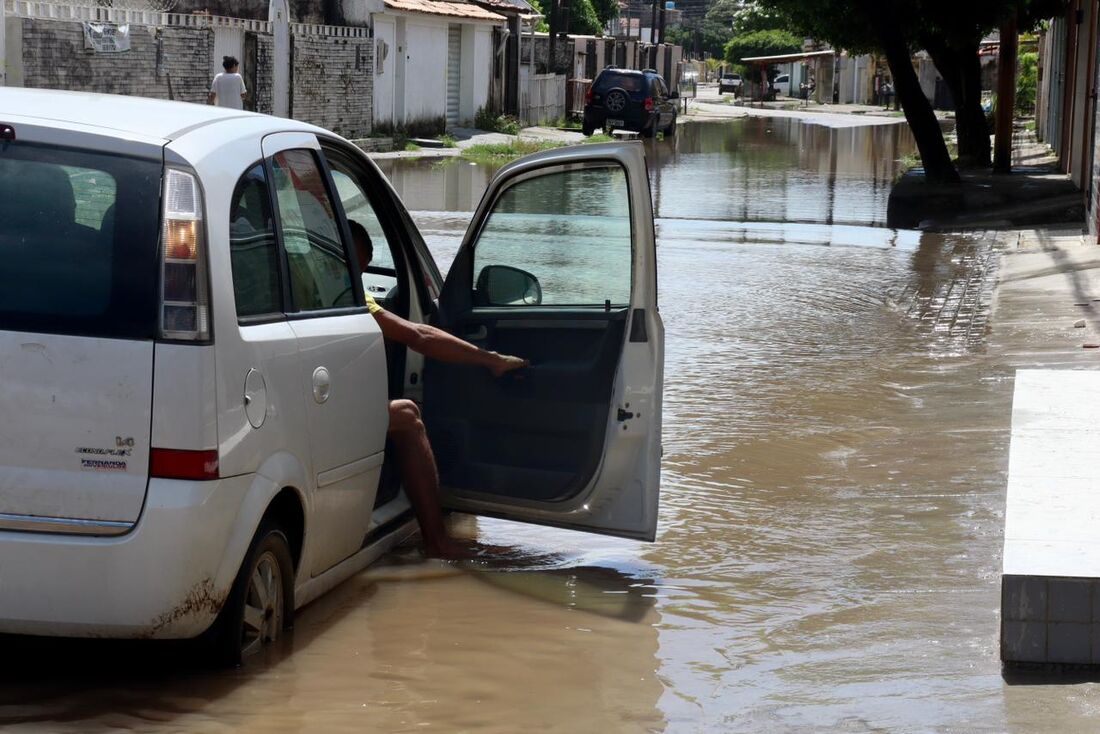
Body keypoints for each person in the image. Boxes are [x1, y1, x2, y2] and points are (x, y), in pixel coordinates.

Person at [349, 221, 527, 558]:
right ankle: (437, 543)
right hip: (327, 411)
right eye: (356, 265)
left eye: (360, 268)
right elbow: (418, 335)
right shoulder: (351, 296)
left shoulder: (319, 286)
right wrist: (489, 359)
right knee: (408, 415)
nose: (356, 273)